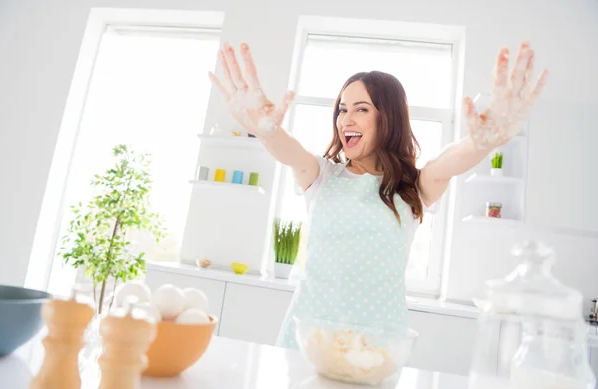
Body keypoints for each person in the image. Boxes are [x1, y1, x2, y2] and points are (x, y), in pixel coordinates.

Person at [209, 40, 548, 350]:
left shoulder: (412, 187)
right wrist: (267, 130)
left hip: (379, 343)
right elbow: (289, 151)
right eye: (342, 109)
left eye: (361, 109)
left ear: (388, 117)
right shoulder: (321, 175)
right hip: (308, 336)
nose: (346, 119)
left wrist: (481, 142)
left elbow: (448, 163)